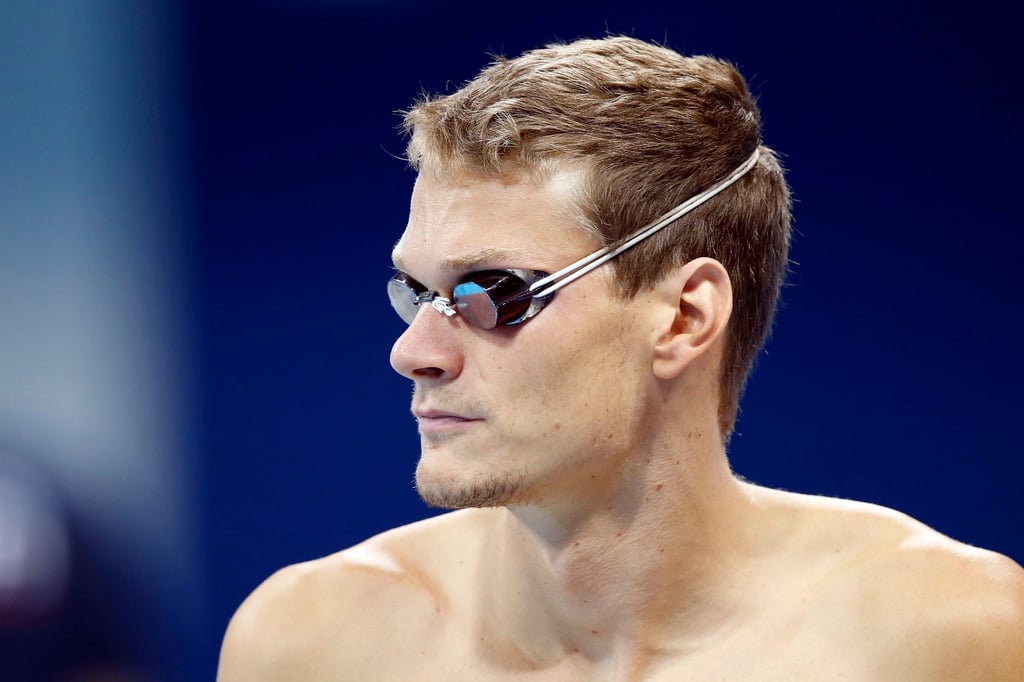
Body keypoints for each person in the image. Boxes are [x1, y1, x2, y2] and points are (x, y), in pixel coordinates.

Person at [217, 36, 1024, 680]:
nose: (413, 352)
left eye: (494, 292)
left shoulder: (942, 639)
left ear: (683, 315)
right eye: (416, 292)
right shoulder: (312, 645)